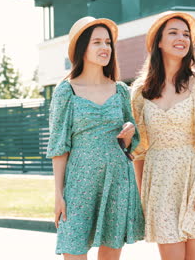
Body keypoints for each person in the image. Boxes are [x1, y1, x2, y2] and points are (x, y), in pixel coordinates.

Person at [131, 11, 195, 260]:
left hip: (194, 177)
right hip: (159, 182)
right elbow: (139, 149)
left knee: (194, 257)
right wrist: (143, 196)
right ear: (159, 42)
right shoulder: (141, 91)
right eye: (173, 33)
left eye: (186, 34)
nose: (181, 38)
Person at [46, 16, 144, 260]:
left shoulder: (121, 90)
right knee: (74, 249)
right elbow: (59, 147)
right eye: (97, 42)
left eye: (108, 43)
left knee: (111, 253)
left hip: (118, 180)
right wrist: (58, 194)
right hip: (79, 184)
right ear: (81, 48)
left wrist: (129, 134)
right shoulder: (65, 91)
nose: (105, 48)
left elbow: (132, 144)